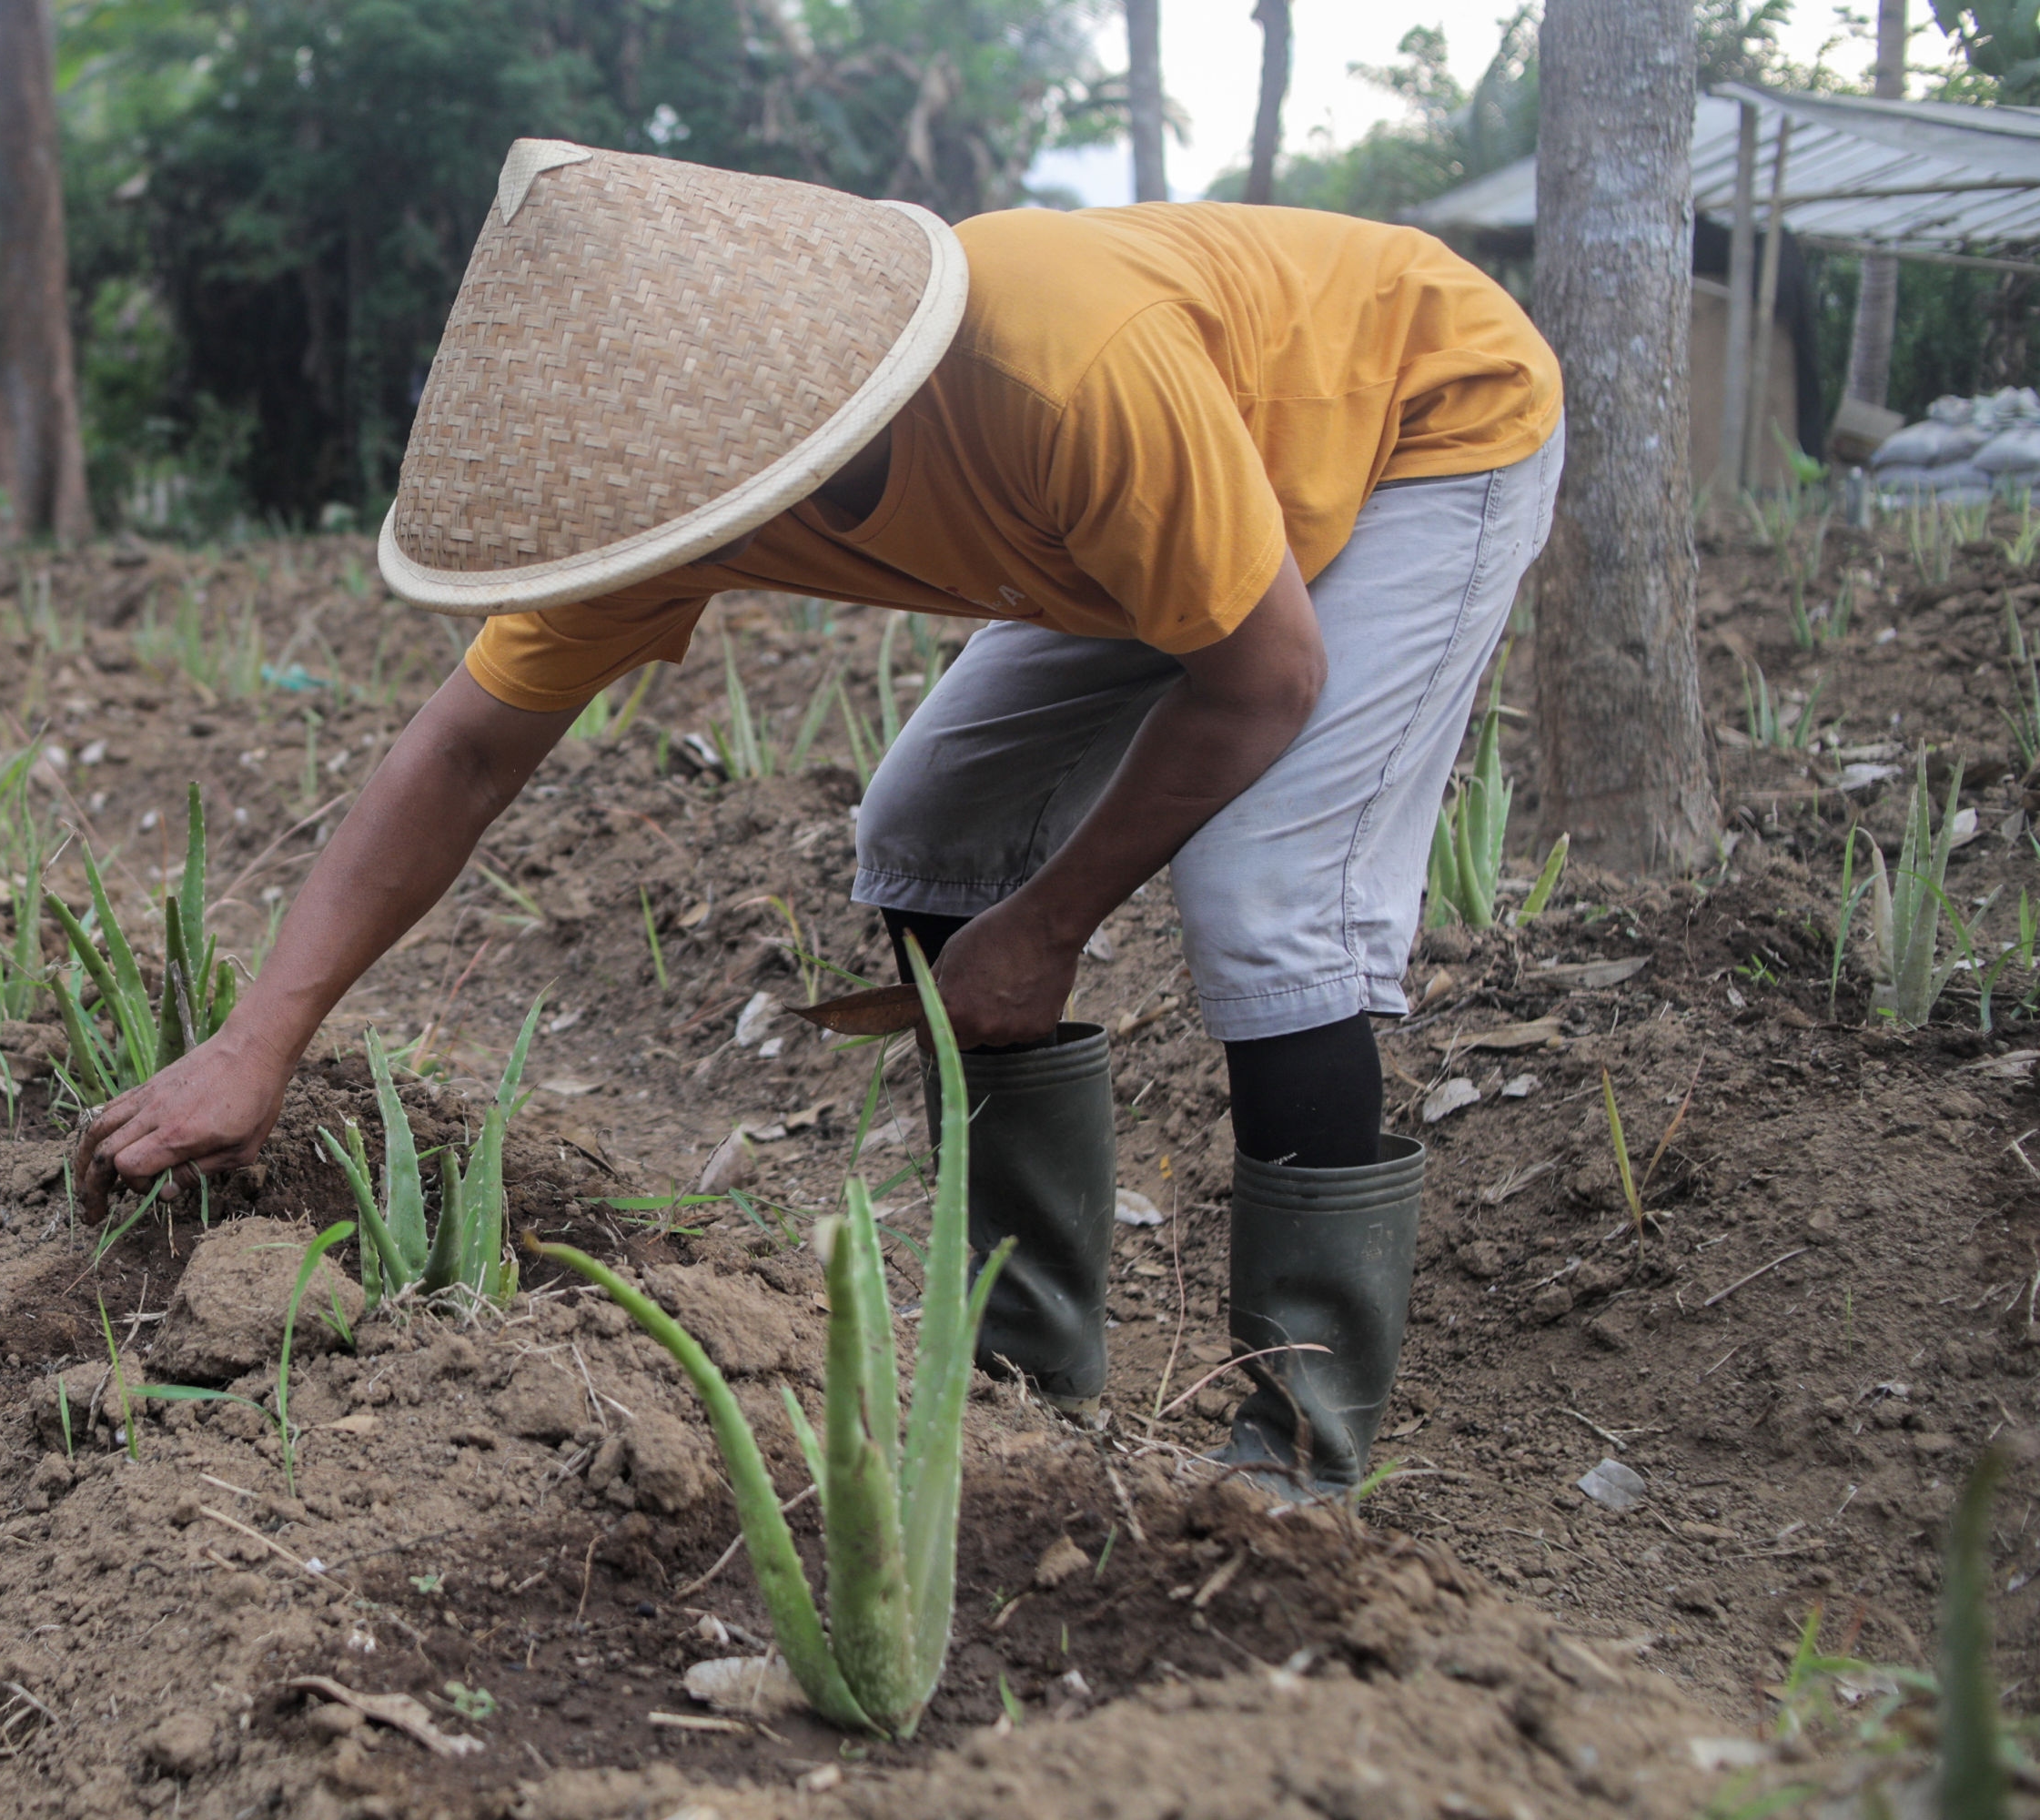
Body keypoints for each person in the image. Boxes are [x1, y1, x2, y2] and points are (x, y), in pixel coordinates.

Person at [78, 140, 1562, 1498]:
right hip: (1156, 524)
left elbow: (1263, 682)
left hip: (1420, 422)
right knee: (926, 824)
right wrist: (256, 1043)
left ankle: (1299, 1457)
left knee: (1268, 902)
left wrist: (1046, 930)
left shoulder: (1050, 364)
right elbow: (462, 755)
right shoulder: (665, 492)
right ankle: (1031, 1358)